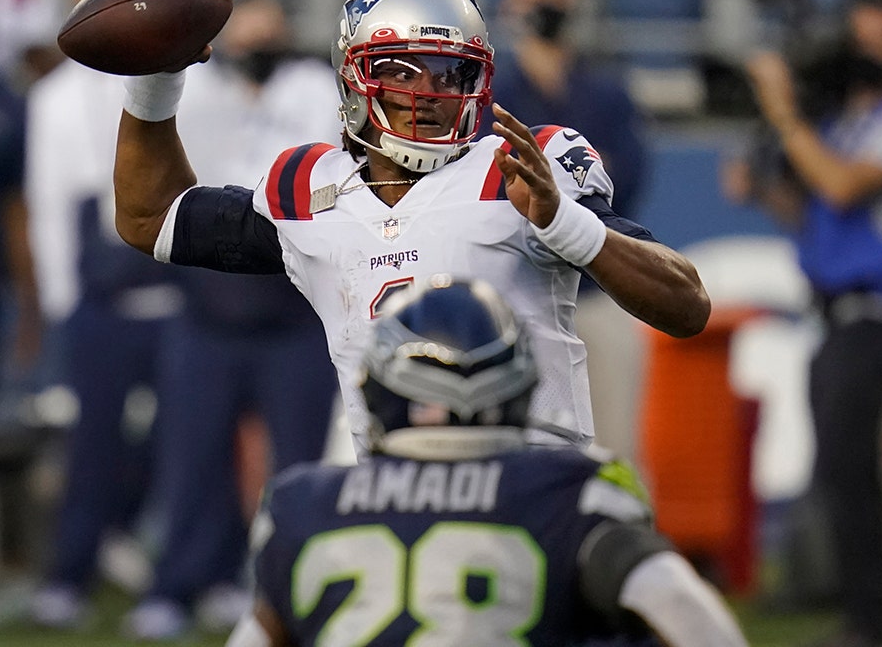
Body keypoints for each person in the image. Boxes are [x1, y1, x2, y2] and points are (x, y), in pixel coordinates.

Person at [111, 0, 710, 457]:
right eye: (399, 69)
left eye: (451, 72)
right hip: (394, 493)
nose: (428, 90)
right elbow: (150, 216)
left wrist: (564, 224)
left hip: (528, 486)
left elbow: (687, 306)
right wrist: (155, 81)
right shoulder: (309, 192)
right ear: (352, 77)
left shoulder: (518, 171)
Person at [223, 274, 749, 647]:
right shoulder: (571, 494)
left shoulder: (305, 503)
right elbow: (688, 614)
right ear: (518, 386)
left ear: (380, 389)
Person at [120, 0, 343, 641]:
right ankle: (188, 579)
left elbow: (327, 174)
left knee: (301, 467)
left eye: (268, 33)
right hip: (209, 306)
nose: (256, 47)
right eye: (245, 35)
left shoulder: (312, 89)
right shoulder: (199, 92)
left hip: (292, 308)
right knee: (191, 457)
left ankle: (297, 588)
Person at [724, 0, 882, 647]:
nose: (868, 53)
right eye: (861, 39)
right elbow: (817, 215)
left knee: (855, 469)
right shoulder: (847, 119)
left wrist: (785, 113)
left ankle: (873, 622)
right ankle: (861, 616)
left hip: (881, 313)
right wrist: (763, 187)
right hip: (837, 313)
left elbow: (845, 187)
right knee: (841, 470)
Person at [26, 0, 184, 630]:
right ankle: (73, 572)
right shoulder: (56, 95)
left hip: (174, 292)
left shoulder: (173, 77)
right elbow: (46, 202)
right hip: (99, 297)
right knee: (92, 441)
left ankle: (179, 576)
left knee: (184, 441)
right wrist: (65, 303)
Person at [484, 0, 651, 461]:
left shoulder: (605, 91)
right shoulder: (492, 93)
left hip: (599, 290)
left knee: (617, 445)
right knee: (514, 444)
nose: (544, 4)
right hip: (514, 292)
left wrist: (554, 203)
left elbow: (628, 181)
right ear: (510, 6)